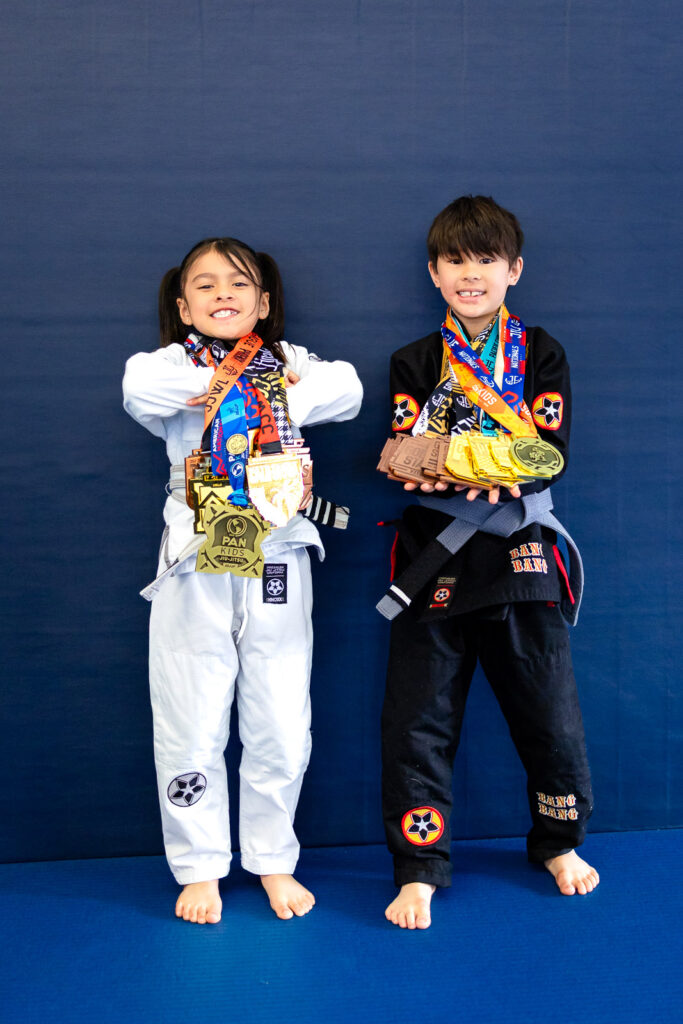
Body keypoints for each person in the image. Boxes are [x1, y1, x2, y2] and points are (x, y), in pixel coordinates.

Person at [123, 237, 362, 924]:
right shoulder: (168, 367)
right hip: (196, 553)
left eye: (238, 283)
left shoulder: (290, 361)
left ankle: (272, 858)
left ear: (263, 301)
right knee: (190, 710)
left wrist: (267, 381)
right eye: (204, 285)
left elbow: (346, 389)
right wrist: (229, 386)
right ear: (182, 305)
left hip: (279, 544)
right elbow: (136, 388)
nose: (222, 293)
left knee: (281, 717)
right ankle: (199, 865)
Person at [379, 196, 599, 930]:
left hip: (518, 549)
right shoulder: (412, 361)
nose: (468, 274)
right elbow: (404, 461)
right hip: (432, 553)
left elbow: (548, 458)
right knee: (417, 719)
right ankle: (418, 867)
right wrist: (487, 459)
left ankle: (557, 841)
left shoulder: (540, 353)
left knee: (548, 711)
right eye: (453, 261)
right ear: (433, 273)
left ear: (513, 270)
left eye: (483, 260)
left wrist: (455, 458)